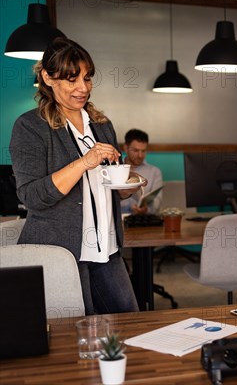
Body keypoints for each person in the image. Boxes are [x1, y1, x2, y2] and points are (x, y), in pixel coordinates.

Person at [9, 38, 141, 315]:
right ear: (47, 77)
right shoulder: (30, 127)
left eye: (87, 78)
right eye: (72, 80)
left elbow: (104, 184)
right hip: (62, 250)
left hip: (107, 247)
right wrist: (84, 162)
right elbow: (32, 197)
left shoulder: (102, 126)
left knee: (128, 322)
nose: (83, 88)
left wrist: (126, 187)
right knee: (74, 335)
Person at [120, 129, 163, 215]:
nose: (140, 155)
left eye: (143, 151)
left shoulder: (154, 172)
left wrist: (146, 210)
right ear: (125, 148)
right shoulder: (115, 170)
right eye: (136, 150)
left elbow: (157, 202)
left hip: (143, 221)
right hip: (117, 220)